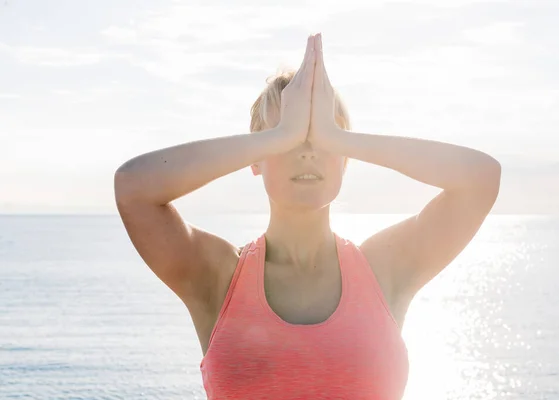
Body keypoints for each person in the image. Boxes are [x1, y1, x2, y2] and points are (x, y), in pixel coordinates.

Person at [114, 32, 501, 399]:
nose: (307, 149)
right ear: (254, 157)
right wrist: (280, 137)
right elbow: (134, 188)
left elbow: (480, 179)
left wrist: (340, 138)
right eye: (289, 135)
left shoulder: (384, 269)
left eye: (320, 136)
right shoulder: (218, 276)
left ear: (344, 155)